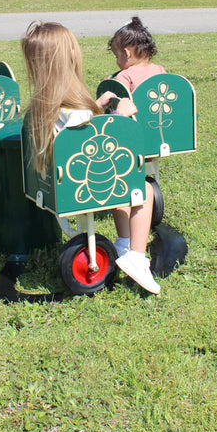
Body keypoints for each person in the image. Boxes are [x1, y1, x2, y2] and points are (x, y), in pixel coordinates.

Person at [21, 21, 161, 295]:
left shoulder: (46, 104)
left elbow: (74, 125)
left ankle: (123, 242)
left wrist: (96, 107)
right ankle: (136, 257)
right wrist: (120, 114)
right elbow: (98, 139)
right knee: (142, 189)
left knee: (124, 188)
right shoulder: (73, 114)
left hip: (59, 184)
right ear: (69, 58)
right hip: (83, 184)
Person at [107, 16, 165, 92]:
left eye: (117, 56)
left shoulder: (124, 76)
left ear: (127, 53)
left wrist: (109, 87)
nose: (117, 61)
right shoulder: (159, 69)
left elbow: (121, 101)